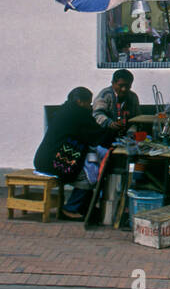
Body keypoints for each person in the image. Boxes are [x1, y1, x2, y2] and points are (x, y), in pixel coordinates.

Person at [35, 87, 114, 220]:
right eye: (88, 103)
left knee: (90, 165)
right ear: (79, 101)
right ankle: (70, 209)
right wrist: (113, 133)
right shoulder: (78, 113)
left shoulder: (64, 109)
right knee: (89, 176)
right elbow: (95, 133)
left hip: (44, 158)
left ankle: (84, 206)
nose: (89, 106)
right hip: (54, 160)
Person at [92, 69, 140, 135]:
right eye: (121, 85)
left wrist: (133, 129)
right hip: (105, 135)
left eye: (127, 86)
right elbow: (97, 114)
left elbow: (136, 118)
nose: (124, 89)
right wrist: (109, 123)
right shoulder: (105, 95)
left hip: (127, 137)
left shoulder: (133, 97)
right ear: (113, 83)